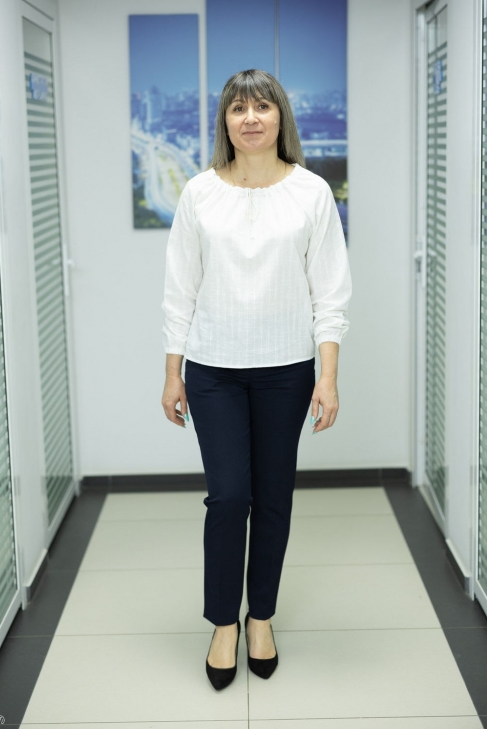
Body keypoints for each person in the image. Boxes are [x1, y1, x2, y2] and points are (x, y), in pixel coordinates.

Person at [160, 69, 352, 691]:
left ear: (280, 117)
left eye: (262, 107)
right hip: (212, 370)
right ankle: (223, 622)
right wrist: (172, 373)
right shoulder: (198, 193)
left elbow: (330, 293)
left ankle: (260, 616)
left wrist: (328, 377)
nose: (250, 118)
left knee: (273, 498)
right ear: (225, 120)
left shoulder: (311, 193)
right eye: (238, 108)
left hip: (287, 371)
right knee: (229, 497)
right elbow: (180, 291)